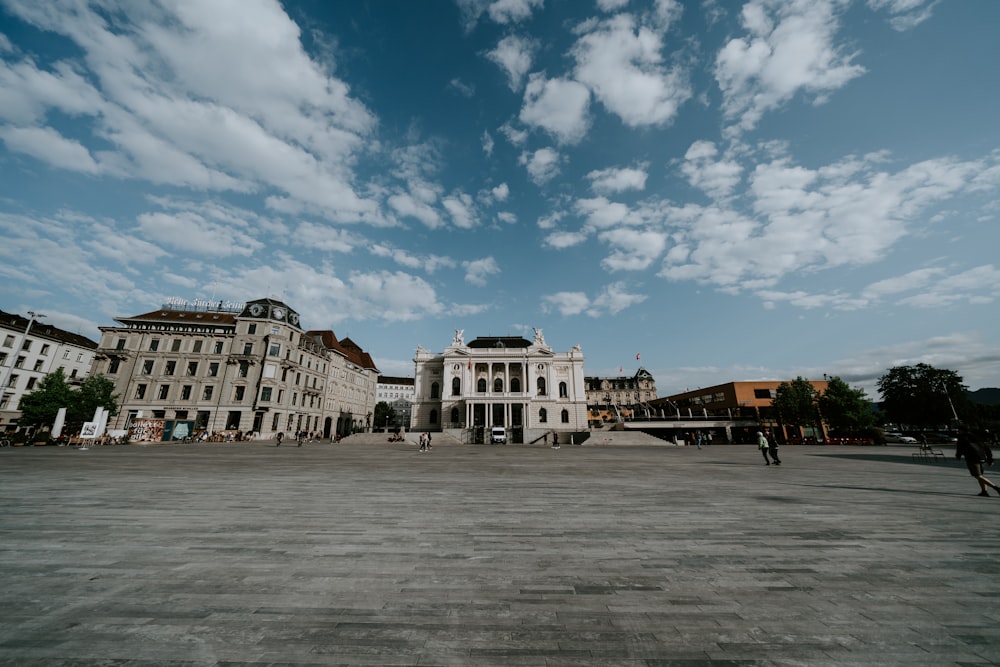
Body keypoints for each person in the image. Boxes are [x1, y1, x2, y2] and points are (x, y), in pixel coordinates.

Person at [955, 426, 999, 497]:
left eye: (959, 430)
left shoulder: (962, 438)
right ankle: (984, 491)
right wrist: (990, 459)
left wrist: (958, 455)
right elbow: (987, 448)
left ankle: (996, 488)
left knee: (977, 475)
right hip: (982, 458)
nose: (958, 431)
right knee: (981, 475)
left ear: (962, 431)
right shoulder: (977, 437)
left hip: (972, 459)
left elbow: (959, 448)